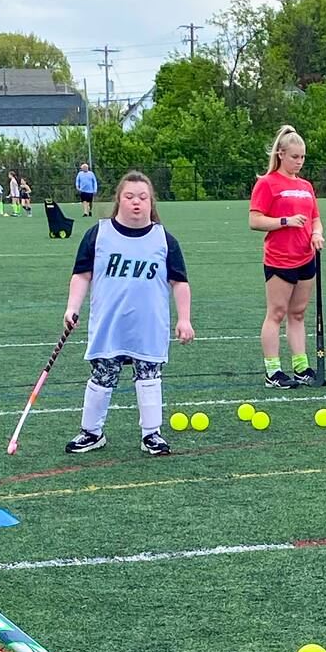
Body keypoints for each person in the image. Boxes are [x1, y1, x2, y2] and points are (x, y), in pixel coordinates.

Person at [62, 170, 194, 456]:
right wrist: (72, 307)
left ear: (151, 203)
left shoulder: (164, 239)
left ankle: (151, 434)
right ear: (119, 200)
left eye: (143, 197)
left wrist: (184, 318)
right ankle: (91, 432)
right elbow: (82, 275)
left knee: (149, 377)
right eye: (130, 196)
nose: (137, 203)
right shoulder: (99, 234)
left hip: (148, 327)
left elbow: (180, 282)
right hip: (109, 325)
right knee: (101, 377)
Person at [249, 125, 324, 388]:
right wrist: (285, 221)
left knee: (299, 313)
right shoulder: (267, 183)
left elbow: (315, 218)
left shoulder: (305, 185)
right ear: (281, 154)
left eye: (303, 157)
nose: (299, 162)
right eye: (295, 157)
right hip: (280, 258)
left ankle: (301, 366)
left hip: (306, 257)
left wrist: (316, 234)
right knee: (277, 313)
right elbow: (255, 220)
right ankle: (273, 370)